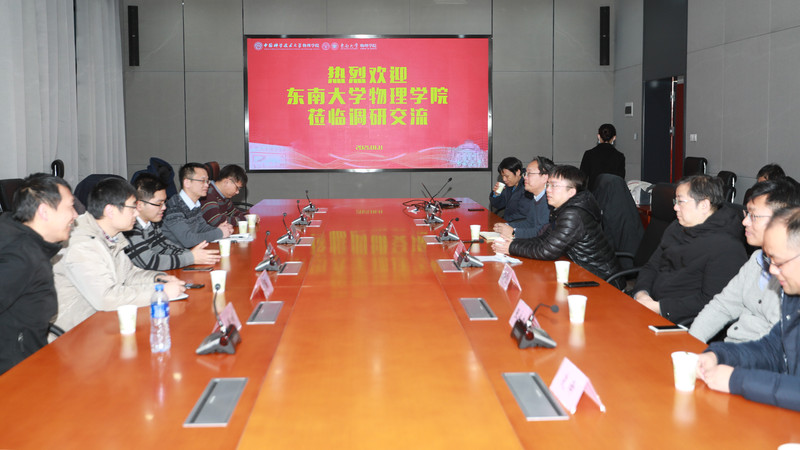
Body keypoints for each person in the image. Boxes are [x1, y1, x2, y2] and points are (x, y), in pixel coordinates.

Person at [697, 207, 800, 412]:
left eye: (778, 262)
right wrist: (717, 355)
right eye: (769, 260)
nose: (772, 270)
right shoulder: (793, 295)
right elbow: (772, 349)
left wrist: (736, 379)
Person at [53, 178, 185, 332]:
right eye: (132, 207)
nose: (137, 213)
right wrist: (159, 292)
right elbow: (106, 299)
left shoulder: (112, 236)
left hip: (102, 322)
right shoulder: (82, 244)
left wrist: (158, 278)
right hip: (75, 332)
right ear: (110, 211)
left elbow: (129, 275)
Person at [690, 179, 800, 343]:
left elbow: (776, 349)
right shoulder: (756, 260)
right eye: (746, 214)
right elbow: (722, 306)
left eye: (753, 216)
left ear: (784, 220)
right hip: (731, 350)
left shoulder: (793, 276)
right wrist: (690, 342)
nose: (745, 222)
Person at [632, 175, 747, 326]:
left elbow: (711, 301)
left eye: (680, 202)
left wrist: (660, 307)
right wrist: (642, 293)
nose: (675, 207)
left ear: (704, 205)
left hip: (680, 322)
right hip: (650, 305)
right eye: (675, 201)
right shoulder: (677, 227)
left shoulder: (727, 246)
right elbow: (652, 266)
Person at [492, 165, 622, 286]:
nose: (548, 189)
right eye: (548, 185)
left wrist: (511, 247)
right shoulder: (564, 208)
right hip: (580, 270)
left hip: (601, 279)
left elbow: (547, 250)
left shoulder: (573, 214)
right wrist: (514, 242)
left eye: (554, 186)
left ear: (571, 192)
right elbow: (544, 239)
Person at [0, 174, 77, 374]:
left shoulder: (20, 239)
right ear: (44, 211)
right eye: (70, 207)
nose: (75, 215)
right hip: (16, 375)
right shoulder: (22, 257)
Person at [124, 173, 220, 270]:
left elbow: (164, 247)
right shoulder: (130, 229)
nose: (164, 207)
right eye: (159, 203)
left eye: (164, 202)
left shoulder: (152, 223)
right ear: (139, 205)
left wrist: (193, 255)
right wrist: (190, 258)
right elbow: (150, 262)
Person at [162, 163, 233, 248]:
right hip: (175, 254)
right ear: (187, 183)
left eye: (207, 181)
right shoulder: (173, 207)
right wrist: (219, 233)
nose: (207, 185)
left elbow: (202, 228)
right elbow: (188, 240)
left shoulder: (195, 203)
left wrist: (221, 229)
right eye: (202, 181)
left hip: (191, 251)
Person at [493, 156, 553, 240]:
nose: (525, 177)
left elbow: (542, 233)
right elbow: (529, 223)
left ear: (544, 178)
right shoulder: (536, 197)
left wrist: (513, 232)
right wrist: (507, 226)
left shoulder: (550, 201)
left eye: (529, 174)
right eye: (525, 174)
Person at [580, 123, 625, 191]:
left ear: (598, 136)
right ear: (614, 138)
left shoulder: (589, 154)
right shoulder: (619, 156)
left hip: (593, 193)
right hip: (612, 193)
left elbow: (582, 177)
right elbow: (620, 179)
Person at [489, 157, 532, 222]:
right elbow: (498, 205)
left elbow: (523, 214)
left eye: (507, 176)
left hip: (519, 224)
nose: (504, 179)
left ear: (517, 172)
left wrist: (507, 223)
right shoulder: (509, 185)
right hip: (509, 222)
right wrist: (496, 194)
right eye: (502, 176)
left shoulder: (528, 186)